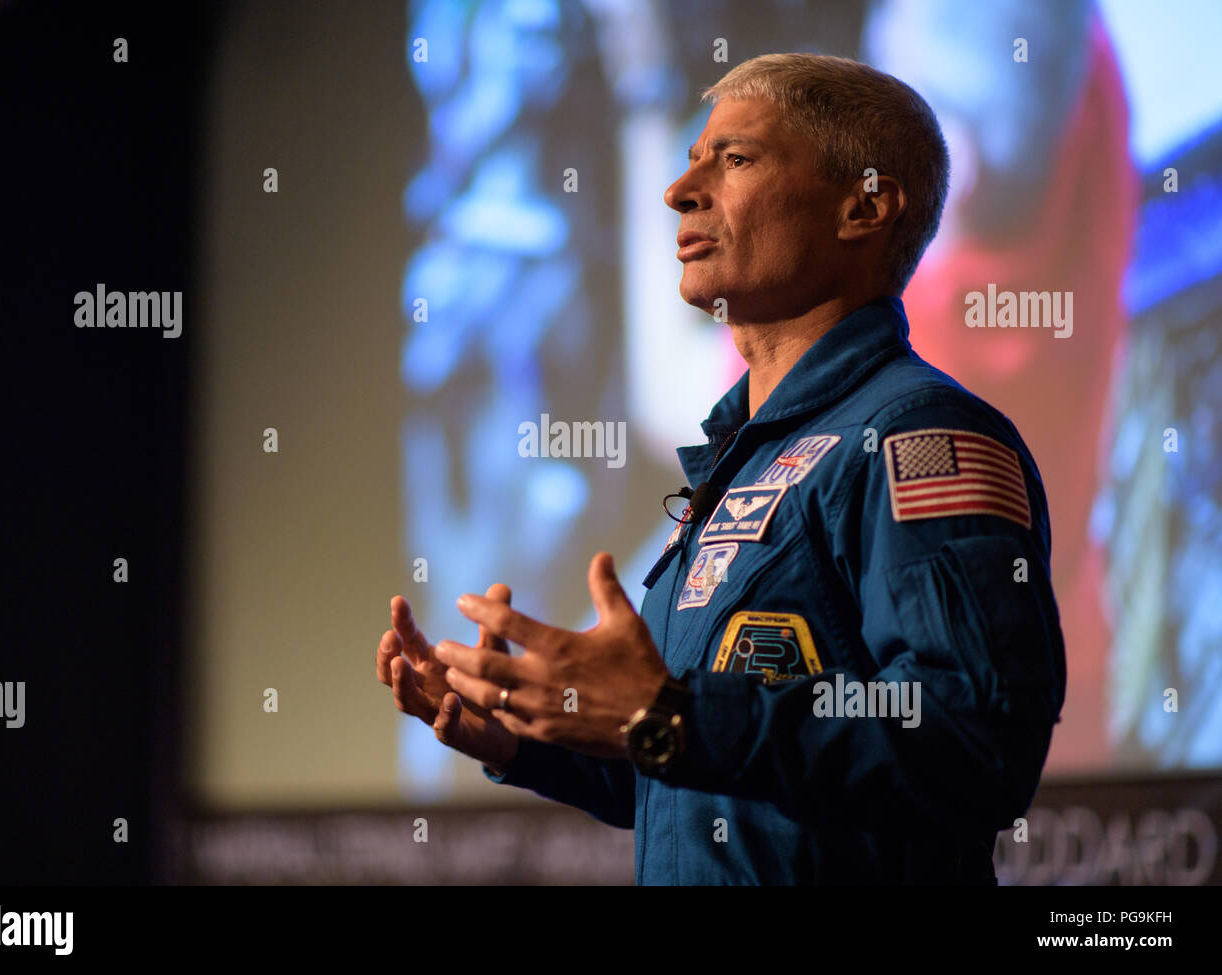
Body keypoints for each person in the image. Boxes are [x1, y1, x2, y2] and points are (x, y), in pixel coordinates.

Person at [375, 53, 1066, 884]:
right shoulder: (736, 465)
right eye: (693, 157)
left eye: (733, 160)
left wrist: (672, 714)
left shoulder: (917, 433)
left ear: (865, 205)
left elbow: (973, 735)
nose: (680, 189)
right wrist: (522, 734)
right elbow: (715, 784)